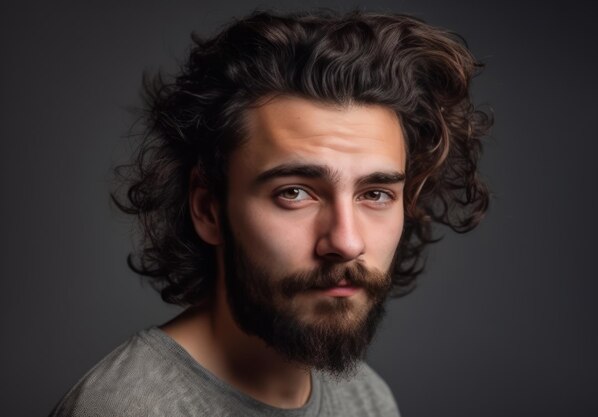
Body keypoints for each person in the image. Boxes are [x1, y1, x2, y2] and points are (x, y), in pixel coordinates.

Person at [50, 9, 491, 417]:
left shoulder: (367, 399)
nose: (346, 241)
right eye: (295, 192)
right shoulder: (129, 408)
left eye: (375, 194)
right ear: (209, 209)